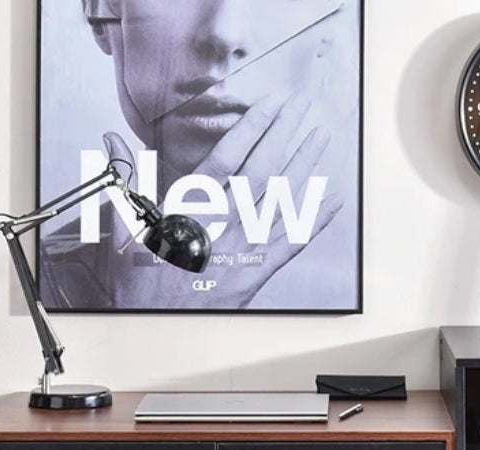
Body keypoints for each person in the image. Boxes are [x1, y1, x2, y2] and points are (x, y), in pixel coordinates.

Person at [39, 0, 361, 312]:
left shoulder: (367, 274)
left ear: (328, 22)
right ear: (99, 12)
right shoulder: (30, 285)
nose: (224, 34)